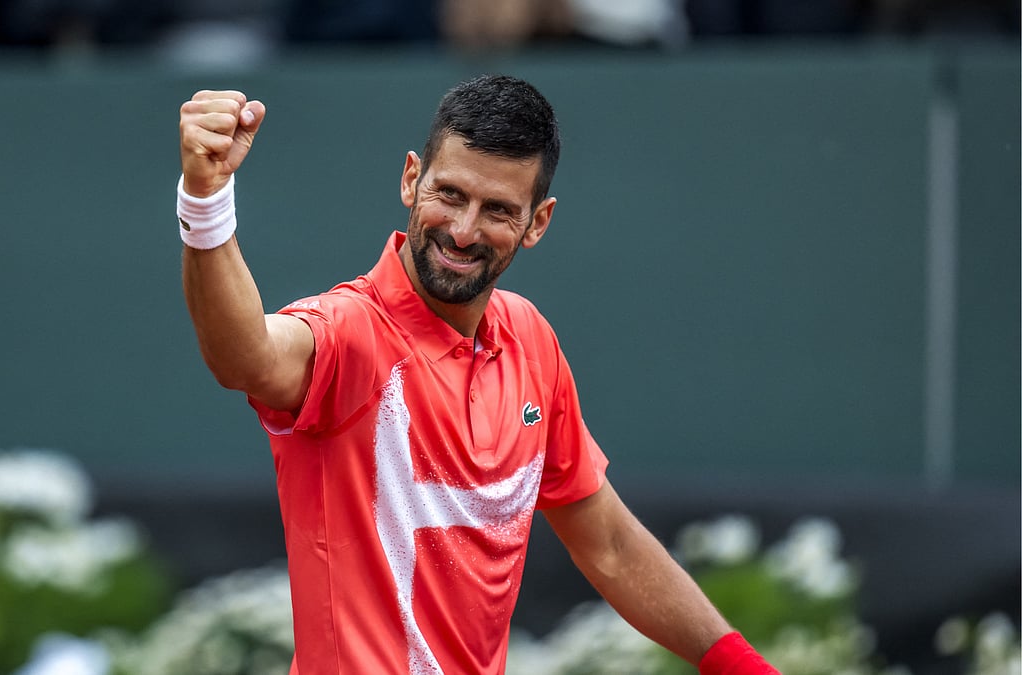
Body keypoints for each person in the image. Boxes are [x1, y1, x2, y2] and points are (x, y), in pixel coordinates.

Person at [176, 74, 778, 674]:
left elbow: (611, 545)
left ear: (537, 222)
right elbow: (246, 357)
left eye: (497, 210)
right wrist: (205, 202)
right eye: (450, 194)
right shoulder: (349, 332)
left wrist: (741, 665)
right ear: (412, 179)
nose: (463, 231)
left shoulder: (530, 339)